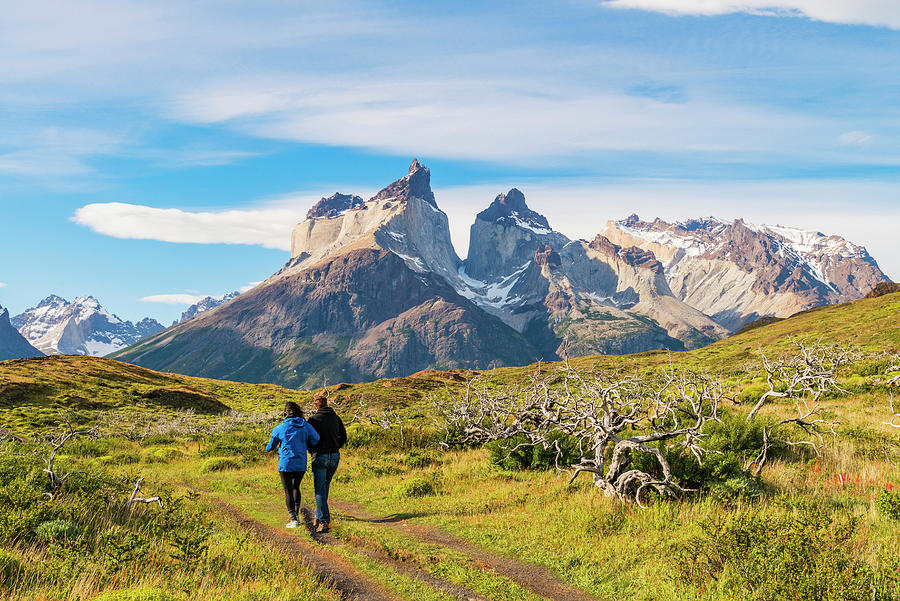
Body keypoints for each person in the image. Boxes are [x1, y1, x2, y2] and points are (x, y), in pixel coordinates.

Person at [266, 401, 320, 529]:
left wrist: (272, 446)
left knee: (288, 491)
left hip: (285, 463)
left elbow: (270, 448)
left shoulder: (279, 428)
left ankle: (293, 519)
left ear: (285, 412)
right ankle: (295, 515)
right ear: (297, 412)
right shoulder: (305, 426)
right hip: (301, 462)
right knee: (296, 487)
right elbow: (316, 438)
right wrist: (305, 443)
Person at [307, 394, 347, 533]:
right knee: (325, 486)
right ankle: (318, 515)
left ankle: (324, 520)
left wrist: (312, 450)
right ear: (327, 405)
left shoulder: (313, 420)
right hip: (334, 455)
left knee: (319, 489)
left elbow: (308, 438)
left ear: (315, 406)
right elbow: (344, 437)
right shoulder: (336, 418)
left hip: (320, 456)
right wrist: (335, 447)